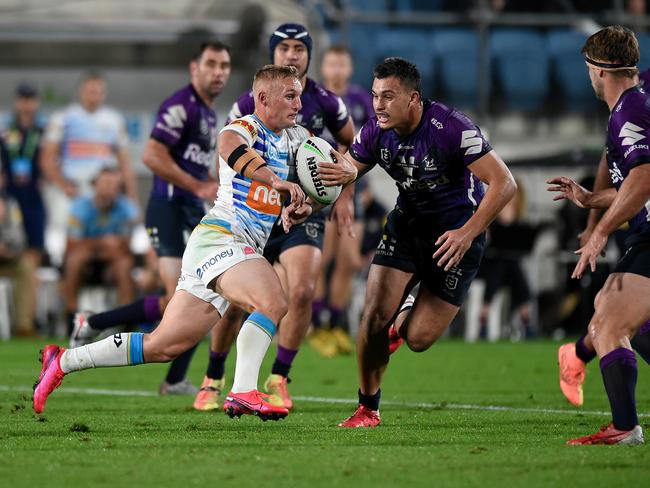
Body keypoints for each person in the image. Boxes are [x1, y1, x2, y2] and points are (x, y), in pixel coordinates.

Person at [33, 64, 312, 421]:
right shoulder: (244, 127)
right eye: (290, 95)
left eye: (299, 95)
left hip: (228, 248)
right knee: (272, 299)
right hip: (221, 238)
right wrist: (276, 181)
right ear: (262, 98)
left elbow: (295, 192)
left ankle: (64, 360)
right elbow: (229, 148)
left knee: (165, 345)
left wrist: (296, 209)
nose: (298, 104)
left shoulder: (294, 139)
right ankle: (243, 390)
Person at [321, 57, 517, 428]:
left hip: (456, 237)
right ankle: (367, 408)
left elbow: (505, 183)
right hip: (407, 228)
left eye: (388, 96)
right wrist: (326, 198)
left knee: (419, 338)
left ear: (414, 98)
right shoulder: (376, 130)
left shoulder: (451, 128)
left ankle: (405, 313)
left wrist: (468, 232)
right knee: (373, 315)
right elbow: (348, 169)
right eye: (376, 95)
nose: (378, 104)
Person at [192, 23, 355, 412]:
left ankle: (279, 377)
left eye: (300, 48)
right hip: (257, 209)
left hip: (305, 208)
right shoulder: (251, 104)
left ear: (309, 55)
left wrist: (343, 192)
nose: (292, 54)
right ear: (273, 54)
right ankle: (213, 377)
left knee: (301, 290)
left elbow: (350, 145)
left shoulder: (328, 102)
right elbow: (231, 147)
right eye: (284, 48)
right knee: (238, 303)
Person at [69, 41, 232, 396]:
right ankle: (172, 378)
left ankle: (95, 322)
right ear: (195, 67)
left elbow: (189, 160)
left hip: (191, 210)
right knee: (186, 298)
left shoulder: (206, 112)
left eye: (224, 66)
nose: (219, 72)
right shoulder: (180, 106)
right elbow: (152, 155)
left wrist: (210, 184)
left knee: (187, 298)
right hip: (169, 209)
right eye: (212, 64)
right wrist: (196, 185)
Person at [546, 25, 649, 445]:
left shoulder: (628, 111)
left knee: (607, 320)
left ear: (599, 70)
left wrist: (600, 232)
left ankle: (625, 427)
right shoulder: (634, 105)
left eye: (588, 68)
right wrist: (592, 201)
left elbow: (643, 180)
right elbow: (631, 184)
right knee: (619, 315)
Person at [309, 44, 375, 356]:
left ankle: (334, 324)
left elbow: (372, 144)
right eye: (331, 64)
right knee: (321, 261)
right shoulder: (313, 100)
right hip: (320, 187)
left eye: (342, 64)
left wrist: (367, 181)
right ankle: (321, 326)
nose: (336, 70)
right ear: (324, 68)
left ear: (349, 68)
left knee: (348, 261)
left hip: (354, 188)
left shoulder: (362, 101)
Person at [40, 71, 139, 232]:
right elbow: (47, 159)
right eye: (91, 91)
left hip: (105, 193)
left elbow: (125, 164)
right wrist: (63, 185)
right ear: (81, 91)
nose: (95, 96)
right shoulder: (63, 117)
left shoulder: (114, 120)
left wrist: (132, 197)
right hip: (73, 190)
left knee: (107, 236)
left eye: (100, 92)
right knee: (65, 235)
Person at [60, 168, 138, 321]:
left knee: (124, 264)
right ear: (94, 185)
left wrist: (92, 245)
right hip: (85, 262)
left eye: (115, 185)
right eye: (106, 183)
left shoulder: (128, 208)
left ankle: (125, 319)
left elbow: (125, 246)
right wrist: (104, 243)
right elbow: (71, 245)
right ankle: (71, 315)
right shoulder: (78, 207)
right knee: (75, 260)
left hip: (112, 264)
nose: (110, 188)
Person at [0, 82, 45, 336]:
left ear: (36, 102)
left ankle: (28, 321)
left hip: (34, 201)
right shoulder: (6, 131)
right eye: (23, 99)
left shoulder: (42, 131)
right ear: (17, 102)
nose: (27, 104)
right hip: (8, 200)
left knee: (31, 261)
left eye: (31, 99)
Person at [0, 189, 34, 336]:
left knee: (26, 266)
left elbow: (20, 238)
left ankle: (24, 325)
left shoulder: (10, 204)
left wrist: (7, 247)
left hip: (7, 261)